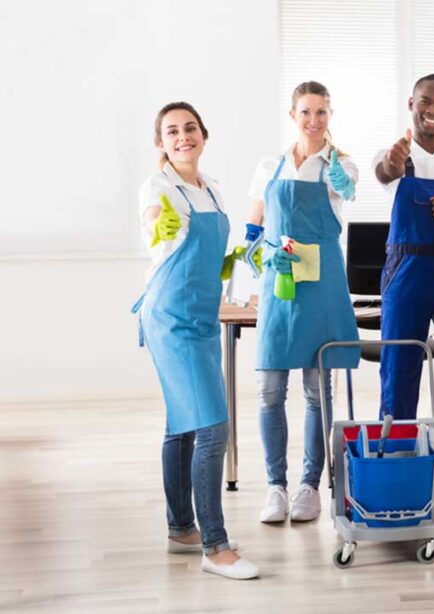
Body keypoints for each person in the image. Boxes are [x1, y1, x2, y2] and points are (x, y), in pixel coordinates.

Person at [133, 102, 259, 580]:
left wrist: (227, 264)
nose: (182, 137)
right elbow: (154, 221)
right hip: (170, 316)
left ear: (204, 134)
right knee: (212, 427)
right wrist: (155, 226)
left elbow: (207, 246)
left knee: (183, 425)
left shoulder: (211, 188)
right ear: (160, 143)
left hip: (201, 313)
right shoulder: (159, 186)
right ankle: (216, 546)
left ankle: (181, 527)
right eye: (171, 131)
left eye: (189, 128)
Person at [247, 81, 361, 524]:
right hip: (282, 285)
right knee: (269, 392)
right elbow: (253, 230)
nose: (313, 120)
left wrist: (340, 177)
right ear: (292, 115)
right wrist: (262, 258)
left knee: (318, 392)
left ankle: (309, 487)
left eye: (321, 112)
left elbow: (348, 190)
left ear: (330, 116)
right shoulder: (269, 166)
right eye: (305, 112)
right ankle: (275, 486)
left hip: (322, 286)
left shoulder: (341, 164)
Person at [375, 74, 434, 421]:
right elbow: (386, 173)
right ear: (411, 104)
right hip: (405, 274)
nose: (433, 110)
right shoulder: (394, 155)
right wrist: (393, 165)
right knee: (398, 369)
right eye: (425, 101)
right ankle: (398, 460)